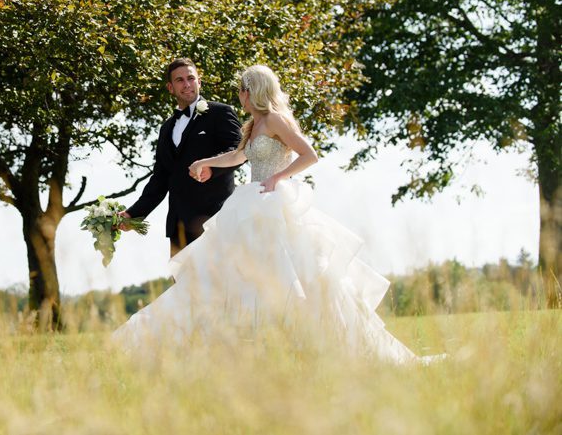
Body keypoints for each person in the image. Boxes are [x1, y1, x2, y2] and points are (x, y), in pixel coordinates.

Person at [112, 65, 419, 363]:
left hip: (273, 203)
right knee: (241, 275)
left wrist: (278, 178)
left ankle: (315, 343)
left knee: (294, 273)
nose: (239, 96)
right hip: (252, 201)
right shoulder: (253, 125)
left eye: (242, 91)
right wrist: (203, 162)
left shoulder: (274, 120)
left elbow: (309, 155)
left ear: (252, 91)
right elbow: (237, 155)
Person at [121, 58, 243, 257]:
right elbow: (160, 179)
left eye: (191, 78)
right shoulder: (166, 128)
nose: (187, 84)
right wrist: (133, 214)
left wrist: (212, 168)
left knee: (220, 287)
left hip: (216, 220)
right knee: (183, 288)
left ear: (199, 82)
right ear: (170, 87)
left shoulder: (220, 113)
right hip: (179, 229)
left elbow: (239, 150)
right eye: (180, 80)